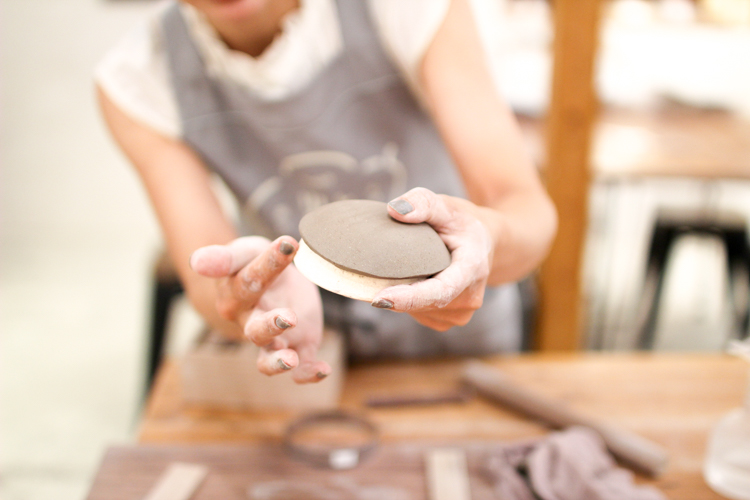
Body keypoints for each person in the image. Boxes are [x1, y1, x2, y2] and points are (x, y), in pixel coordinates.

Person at [96, 0, 557, 384]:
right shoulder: (139, 78)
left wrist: (485, 242)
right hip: (305, 359)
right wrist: (247, 295)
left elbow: (527, 213)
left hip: (461, 353)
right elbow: (205, 276)